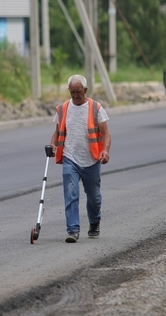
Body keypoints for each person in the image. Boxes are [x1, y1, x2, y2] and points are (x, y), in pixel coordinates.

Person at [50, 75, 112, 243]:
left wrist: (105, 151)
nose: (76, 95)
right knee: (71, 193)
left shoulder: (95, 108)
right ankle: (73, 230)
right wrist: (53, 145)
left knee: (94, 198)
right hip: (70, 158)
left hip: (91, 160)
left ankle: (94, 221)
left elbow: (106, 133)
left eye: (78, 92)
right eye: (72, 92)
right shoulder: (63, 109)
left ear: (85, 90)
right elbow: (56, 133)